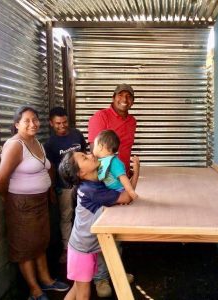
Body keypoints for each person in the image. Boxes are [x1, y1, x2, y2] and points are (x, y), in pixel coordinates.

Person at [0, 106, 69, 300]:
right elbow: (1, 178)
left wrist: (50, 190)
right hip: (22, 205)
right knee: (25, 248)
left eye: (35, 119)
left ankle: (47, 280)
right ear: (16, 124)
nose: (33, 124)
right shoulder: (15, 145)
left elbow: (47, 168)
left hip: (39, 202)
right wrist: (8, 199)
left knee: (39, 243)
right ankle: (35, 290)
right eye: (26, 120)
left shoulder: (35, 141)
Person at [58, 151, 140, 300]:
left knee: (77, 288)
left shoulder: (93, 184)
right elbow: (127, 197)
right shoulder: (92, 190)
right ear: (81, 173)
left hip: (81, 248)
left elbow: (122, 196)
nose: (90, 154)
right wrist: (136, 173)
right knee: (83, 294)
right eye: (84, 158)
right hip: (83, 250)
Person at [88, 83, 136, 297]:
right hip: (101, 183)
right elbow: (95, 152)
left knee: (117, 231)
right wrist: (99, 184)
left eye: (129, 96)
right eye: (121, 95)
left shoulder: (132, 121)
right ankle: (100, 279)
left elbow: (125, 151)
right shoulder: (101, 117)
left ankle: (115, 271)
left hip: (118, 180)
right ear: (113, 97)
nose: (125, 99)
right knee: (102, 230)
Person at [44, 106, 87, 263]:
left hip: (83, 182)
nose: (62, 126)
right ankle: (67, 249)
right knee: (66, 216)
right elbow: (51, 169)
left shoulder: (76, 134)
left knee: (84, 213)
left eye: (64, 122)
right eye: (58, 123)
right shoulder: (50, 144)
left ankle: (85, 246)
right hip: (64, 186)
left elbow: (85, 154)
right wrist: (53, 189)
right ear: (51, 123)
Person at [93, 129, 138, 200]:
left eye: (94, 145)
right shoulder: (100, 161)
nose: (93, 148)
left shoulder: (114, 162)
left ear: (100, 146)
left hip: (119, 191)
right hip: (109, 191)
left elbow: (123, 177)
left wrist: (130, 191)